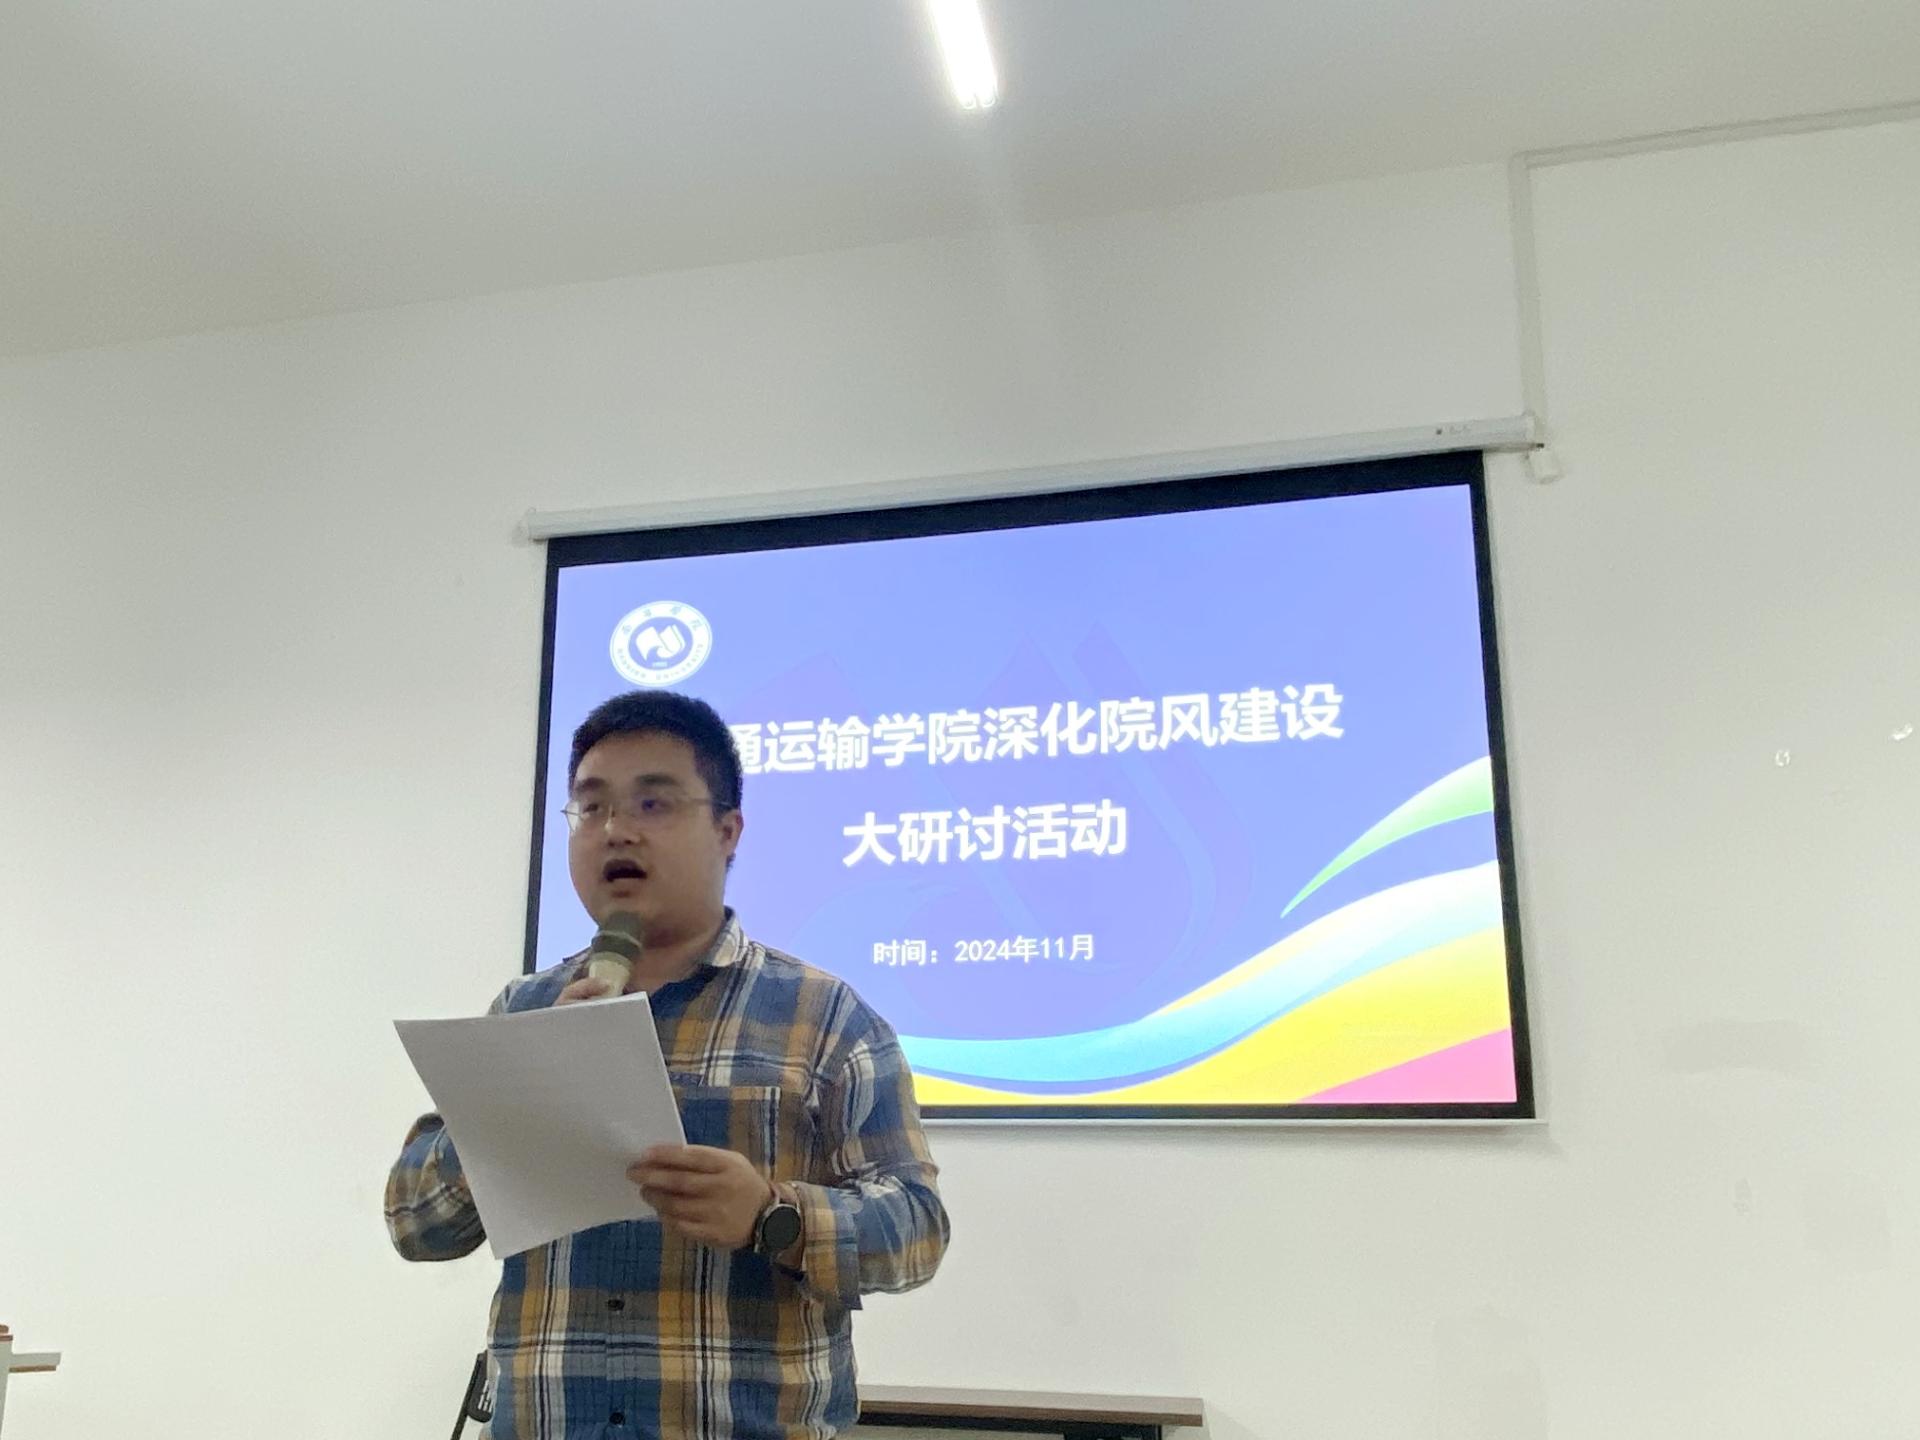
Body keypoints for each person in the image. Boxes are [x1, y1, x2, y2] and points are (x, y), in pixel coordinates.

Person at [385, 691, 949, 1439]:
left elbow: (917, 1231)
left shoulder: (824, 1017)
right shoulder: (523, 1011)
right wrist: (520, 1094)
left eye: (653, 803)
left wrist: (771, 1217)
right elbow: (416, 1224)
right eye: (591, 807)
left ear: (727, 830)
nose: (616, 829)